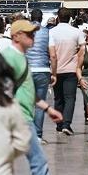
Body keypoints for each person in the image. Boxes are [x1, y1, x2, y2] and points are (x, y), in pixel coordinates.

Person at [0, 19, 74, 175]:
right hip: (19, 119)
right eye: (29, 34)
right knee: (38, 164)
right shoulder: (11, 58)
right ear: (16, 36)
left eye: (34, 33)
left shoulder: (21, 58)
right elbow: (1, 90)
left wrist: (47, 108)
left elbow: (26, 91)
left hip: (23, 116)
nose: (33, 37)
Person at [49, 8, 85, 136]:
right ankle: (66, 124)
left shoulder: (51, 32)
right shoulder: (76, 32)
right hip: (71, 69)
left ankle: (59, 124)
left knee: (58, 98)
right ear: (70, 18)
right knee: (70, 98)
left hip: (56, 69)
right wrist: (78, 66)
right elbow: (82, 50)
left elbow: (50, 52)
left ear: (58, 17)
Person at [24, 9, 52, 140]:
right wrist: (54, 72)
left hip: (28, 70)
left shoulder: (25, 33)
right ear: (42, 18)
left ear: (31, 18)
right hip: (43, 70)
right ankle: (38, 135)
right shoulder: (47, 32)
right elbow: (52, 54)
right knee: (40, 104)